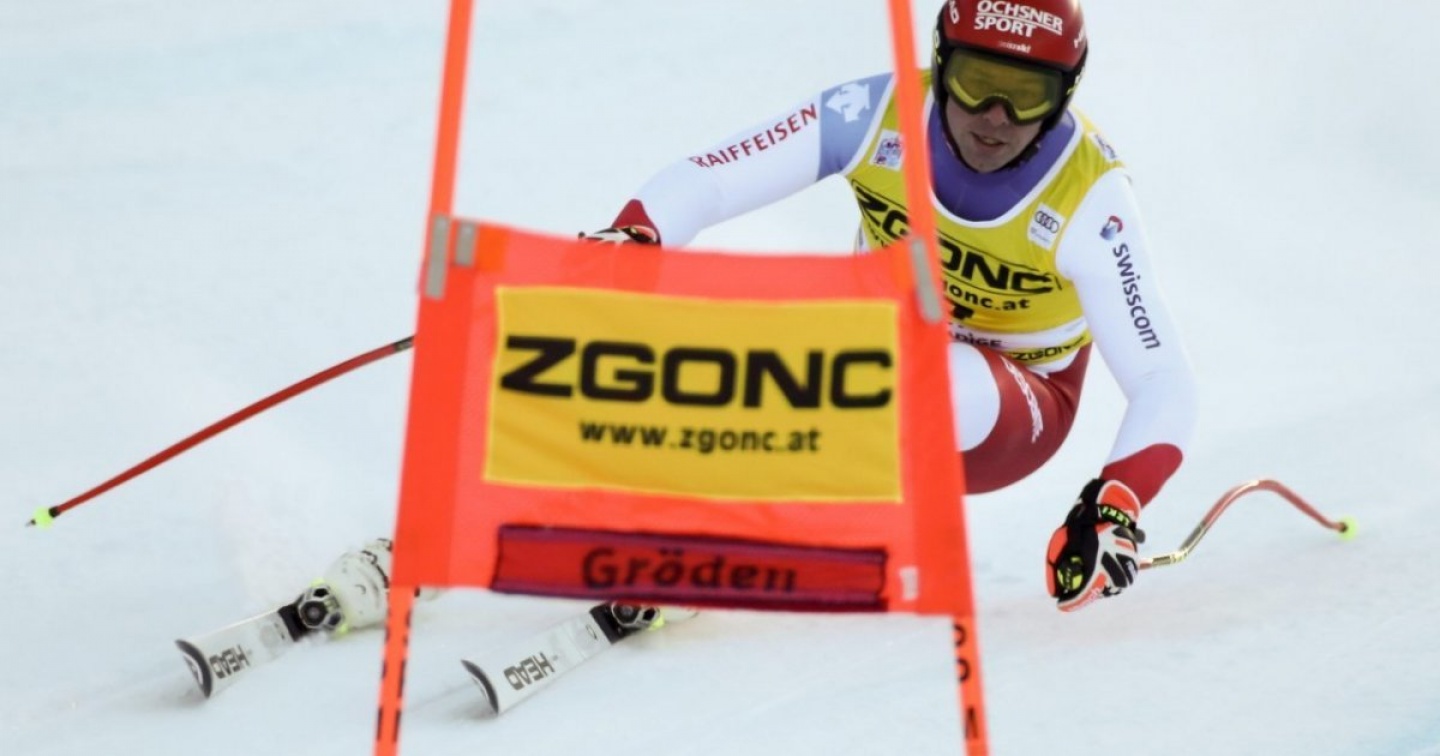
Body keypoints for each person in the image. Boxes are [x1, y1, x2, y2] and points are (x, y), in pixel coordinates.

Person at [582, 0, 1197, 612]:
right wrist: (637, 236)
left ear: (1064, 95)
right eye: (976, 82)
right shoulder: (876, 112)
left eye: (1026, 95)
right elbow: (715, 178)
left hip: (1008, 408)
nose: (995, 117)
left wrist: (1114, 505)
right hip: (872, 349)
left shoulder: (1091, 196)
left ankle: (732, 532)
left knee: (916, 375)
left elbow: (1161, 378)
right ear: (942, 63)